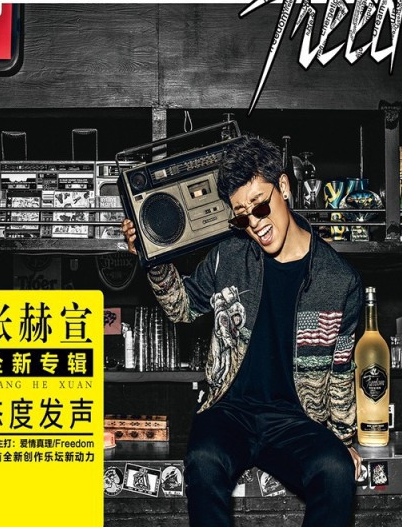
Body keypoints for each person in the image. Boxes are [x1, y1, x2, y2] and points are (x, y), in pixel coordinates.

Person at [121, 134, 363, 527]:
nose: (256, 223)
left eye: (261, 206)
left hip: (295, 419)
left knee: (336, 470)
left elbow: (341, 369)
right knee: (203, 460)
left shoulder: (338, 280)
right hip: (229, 410)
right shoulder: (229, 256)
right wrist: (153, 260)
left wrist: (343, 441)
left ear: (283, 186)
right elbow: (182, 308)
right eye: (242, 217)